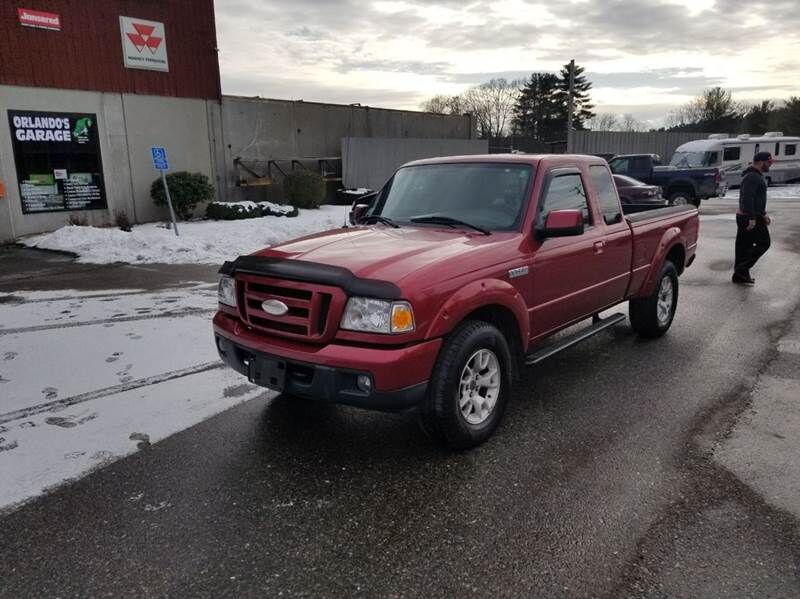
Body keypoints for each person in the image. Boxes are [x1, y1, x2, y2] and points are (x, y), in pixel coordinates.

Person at [733, 151, 773, 285]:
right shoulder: (752, 177)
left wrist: (763, 213)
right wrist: (752, 217)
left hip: (750, 215)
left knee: (744, 246)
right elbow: (747, 198)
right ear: (761, 162)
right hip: (749, 217)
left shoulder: (754, 176)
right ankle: (741, 269)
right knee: (764, 243)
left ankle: (739, 275)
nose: (770, 165)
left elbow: (757, 199)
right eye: (769, 162)